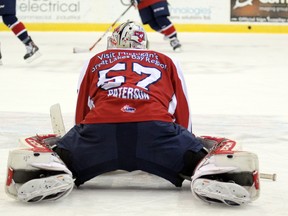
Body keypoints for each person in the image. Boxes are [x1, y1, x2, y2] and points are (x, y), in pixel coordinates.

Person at [5, 21, 260, 206]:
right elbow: (181, 111)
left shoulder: (97, 59)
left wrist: (78, 148)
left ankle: (55, 169)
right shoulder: (166, 60)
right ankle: (209, 172)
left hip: (99, 135)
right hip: (158, 136)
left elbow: (83, 112)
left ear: (113, 42)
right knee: (209, 150)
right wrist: (185, 147)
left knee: (52, 147)